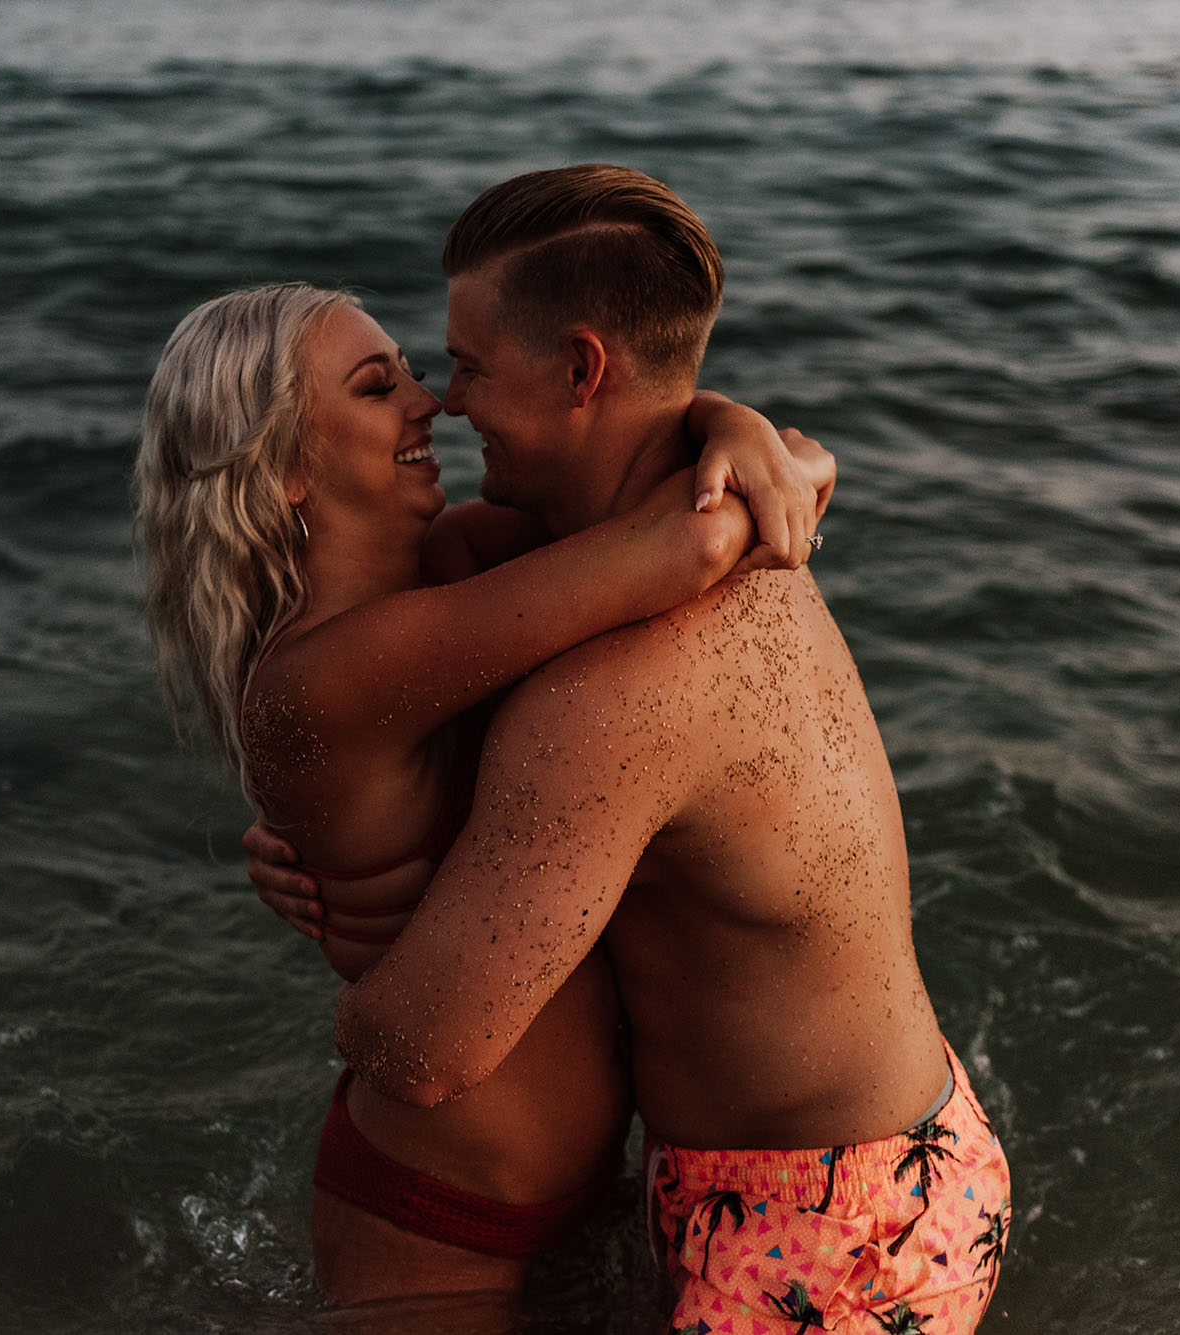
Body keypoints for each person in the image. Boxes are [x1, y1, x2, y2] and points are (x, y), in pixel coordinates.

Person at [249, 165, 1012, 1334]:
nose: (445, 403)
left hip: (825, 1229)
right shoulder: (706, 526)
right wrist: (733, 418)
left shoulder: (615, 691)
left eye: (466, 367)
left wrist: (360, 919)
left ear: (579, 371)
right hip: (888, 1141)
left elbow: (428, 1047)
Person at [135, 281, 834, 1317]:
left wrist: (725, 425)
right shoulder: (321, 679)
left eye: (412, 369)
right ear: (283, 470)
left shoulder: (453, 568)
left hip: (575, 1188)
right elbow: (693, 540)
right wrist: (763, 450)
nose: (430, 402)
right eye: (380, 388)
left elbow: (674, 489)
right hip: (432, 1212)